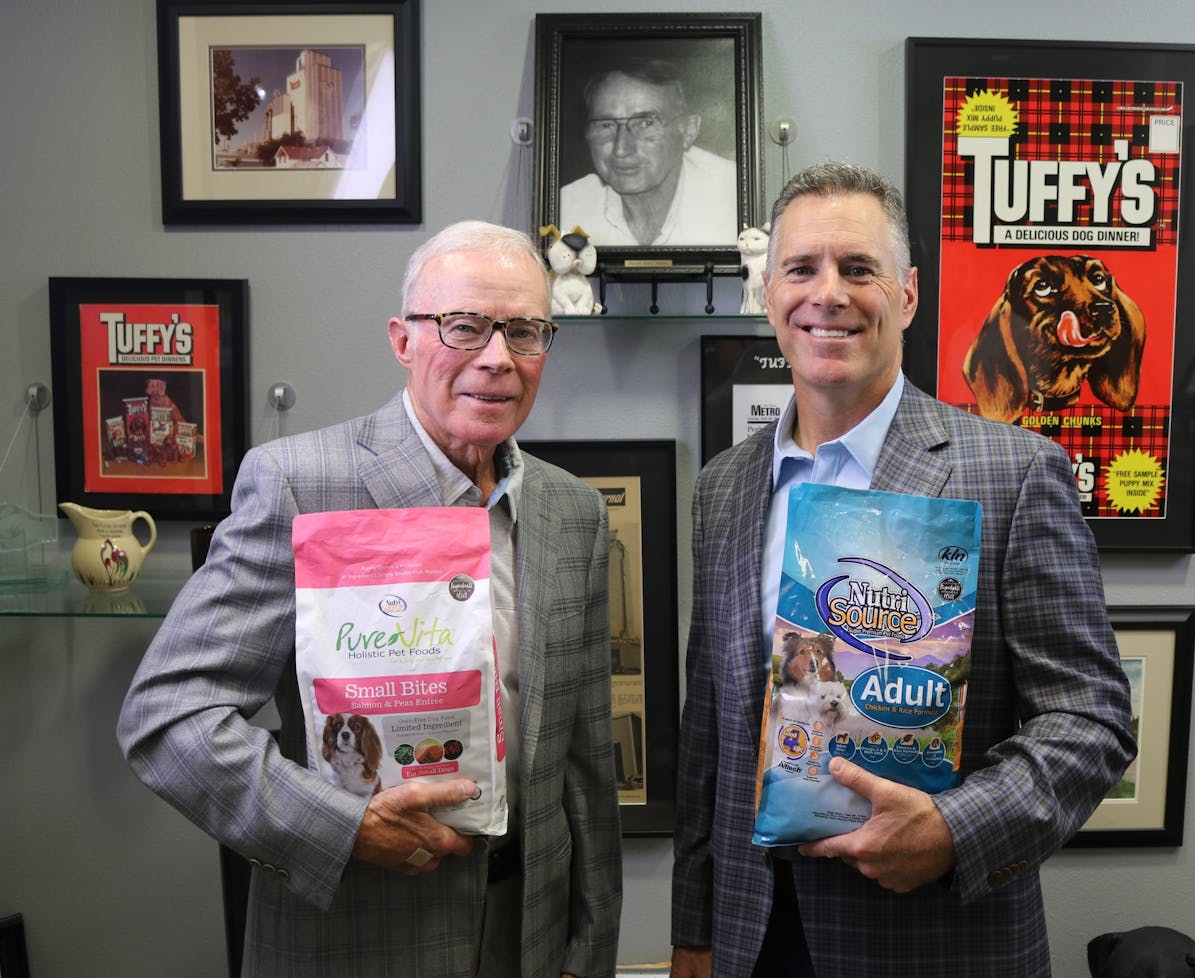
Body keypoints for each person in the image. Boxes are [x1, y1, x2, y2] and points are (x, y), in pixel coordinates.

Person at [117, 220, 622, 978]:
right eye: (464, 327)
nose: (497, 358)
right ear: (403, 340)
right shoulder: (300, 485)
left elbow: (583, 765)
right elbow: (166, 716)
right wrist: (343, 826)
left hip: (530, 933)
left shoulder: (572, 512)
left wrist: (591, 948)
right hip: (356, 934)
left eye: (524, 331)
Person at [670, 162, 1136, 978]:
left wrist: (956, 829)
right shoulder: (723, 488)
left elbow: (1091, 719)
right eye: (802, 269)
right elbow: (709, 736)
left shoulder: (1016, 472)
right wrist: (694, 934)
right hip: (756, 939)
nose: (830, 294)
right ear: (767, 293)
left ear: (908, 295)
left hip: (935, 944)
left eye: (859, 270)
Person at [559, 58, 737, 247]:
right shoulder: (568, 210)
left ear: (688, 130)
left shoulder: (731, 196)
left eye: (645, 123)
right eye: (605, 125)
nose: (621, 149)